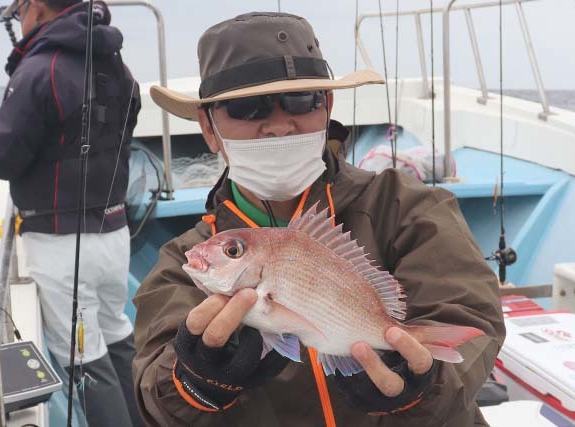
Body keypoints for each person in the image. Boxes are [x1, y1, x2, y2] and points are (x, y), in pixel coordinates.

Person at [133, 11, 505, 427]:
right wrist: (195, 379)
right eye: (245, 107)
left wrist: (420, 386)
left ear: (327, 106)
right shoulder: (182, 262)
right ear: (208, 126)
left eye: (300, 100)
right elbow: (155, 400)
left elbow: (471, 325)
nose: (277, 125)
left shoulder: (408, 207)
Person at [0, 1, 143, 425]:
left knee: (83, 358)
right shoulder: (117, 67)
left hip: (60, 245)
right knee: (117, 330)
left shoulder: (39, 69)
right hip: (114, 234)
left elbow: (1, 158)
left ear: (35, 7)